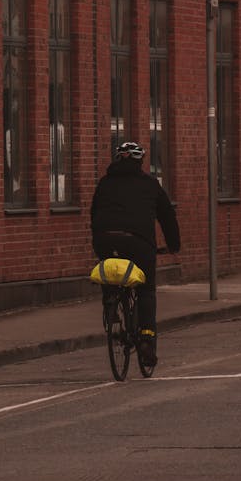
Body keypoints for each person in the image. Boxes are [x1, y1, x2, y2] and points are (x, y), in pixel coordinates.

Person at [91, 141, 180, 367]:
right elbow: (167, 217)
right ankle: (147, 340)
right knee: (146, 290)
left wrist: (100, 239)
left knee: (109, 269)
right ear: (140, 162)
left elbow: (94, 215)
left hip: (105, 238)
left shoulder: (104, 183)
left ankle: (110, 304)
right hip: (138, 243)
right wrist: (173, 246)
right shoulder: (150, 184)